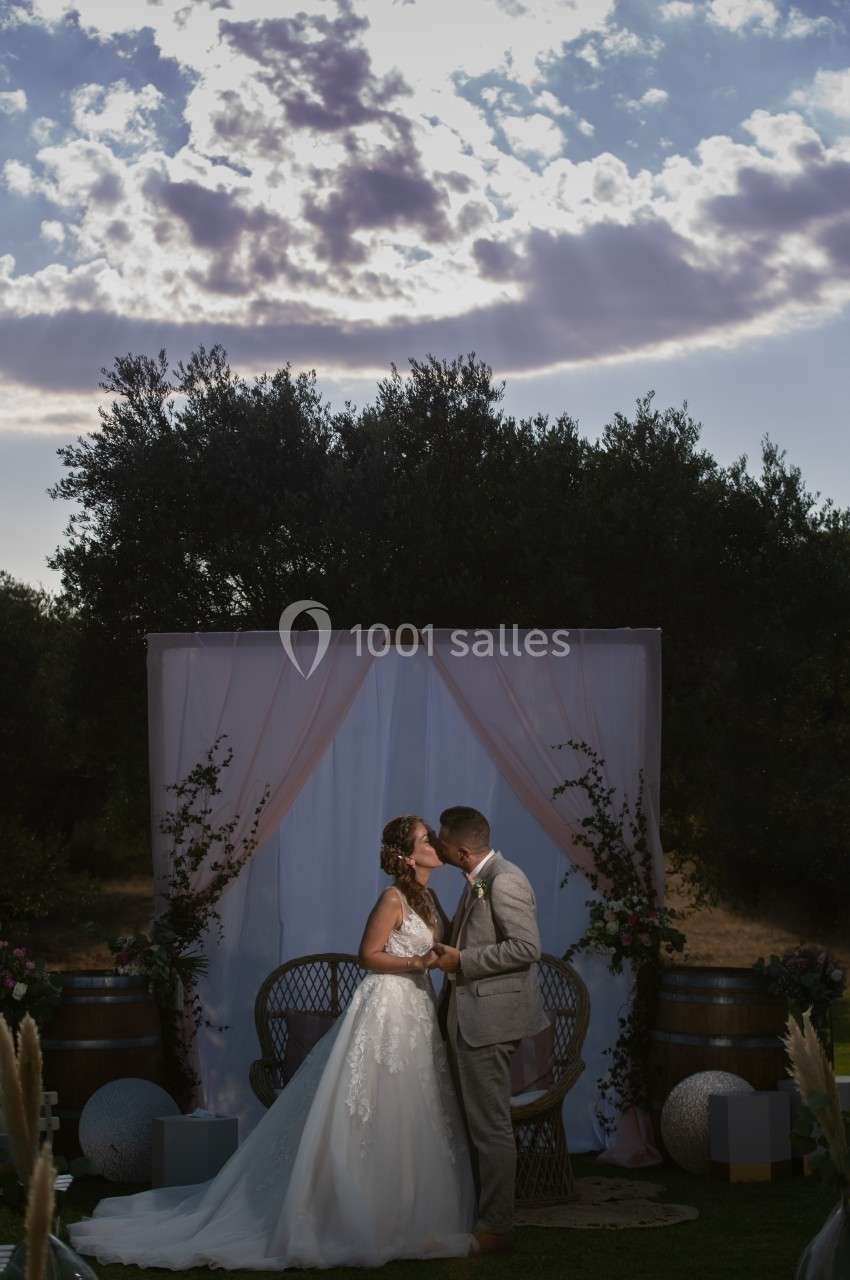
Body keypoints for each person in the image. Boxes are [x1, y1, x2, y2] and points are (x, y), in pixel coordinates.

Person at [69, 817, 476, 1270]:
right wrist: (418, 959)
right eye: (426, 839)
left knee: (410, 1105)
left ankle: (405, 1211)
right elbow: (367, 955)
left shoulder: (430, 896)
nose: (435, 844)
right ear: (406, 854)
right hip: (388, 1007)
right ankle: (352, 1211)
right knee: (372, 1103)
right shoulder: (392, 897)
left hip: (417, 1007)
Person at [433, 804, 548, 1255]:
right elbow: (470, 930)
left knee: (490, 1127)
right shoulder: (481, 875)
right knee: (477, 1123)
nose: (438, 848)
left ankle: (497, 1227)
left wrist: (462, 962)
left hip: (489, 1021)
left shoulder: (506, 879)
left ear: (460, 850)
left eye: (441, 842)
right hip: (473, 1016)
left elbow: (527, 948)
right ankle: (480, 1214)